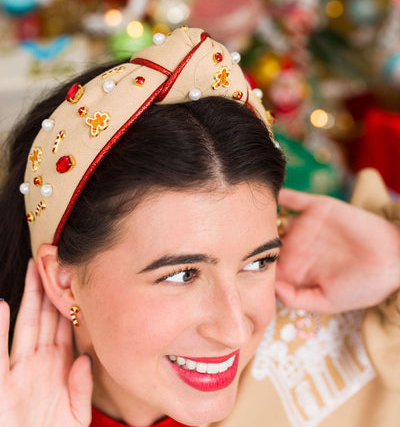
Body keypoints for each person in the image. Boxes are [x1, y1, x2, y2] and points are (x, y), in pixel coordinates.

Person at [0, 26, 398, 427]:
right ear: (64, 280)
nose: (235, 331)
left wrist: (394, 256)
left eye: (258, 262)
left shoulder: (355, 345)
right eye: (183, 274)